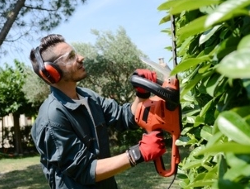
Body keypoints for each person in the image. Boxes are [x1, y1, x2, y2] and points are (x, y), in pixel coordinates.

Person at [29, 34, 166, 189]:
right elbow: (85, 169)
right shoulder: (51, 118)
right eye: (71, 56)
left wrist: (141, 94)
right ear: (51, 72)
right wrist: (137, 153)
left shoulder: (89, 97)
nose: (81, 57)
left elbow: (125, 117)